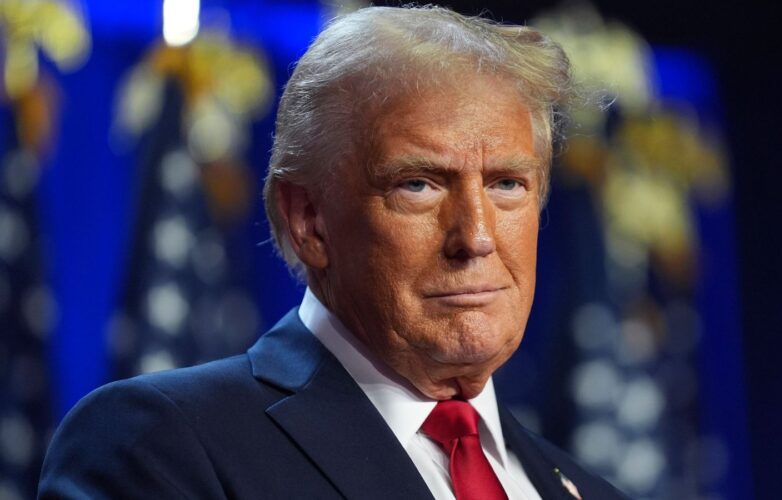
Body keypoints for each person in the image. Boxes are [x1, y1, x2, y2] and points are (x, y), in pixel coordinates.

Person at [39, 5, 628, 499]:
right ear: (309, 221)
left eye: (507, 184)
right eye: (418, 185)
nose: (475, 237)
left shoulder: (590, 491)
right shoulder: (160, 447)